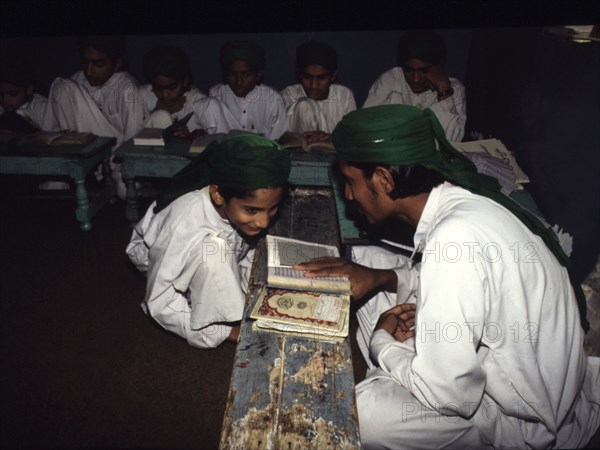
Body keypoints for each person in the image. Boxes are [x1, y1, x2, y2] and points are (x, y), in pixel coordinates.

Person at [293, 105, 600, 448]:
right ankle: (406, 370)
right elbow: (449, 276)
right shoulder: (461, 204)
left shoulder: (451, 240)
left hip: (519, 419)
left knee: (363, 412)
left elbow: (454, 396)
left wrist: (384, 345)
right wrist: (380, 278)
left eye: (351, 182)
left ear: (384, 180)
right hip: (516, 367)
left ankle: (397, 378)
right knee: (369, 258)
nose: (347, 194)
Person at [126, 134, 291, 349]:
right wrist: (222, 331)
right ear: (218, 195)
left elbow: (243, 249)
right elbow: (159, 300)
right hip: (162, 259)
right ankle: (201, 311)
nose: (263, 221)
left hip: (210, 247)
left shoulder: (237, 209)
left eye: (272, 208)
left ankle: (210, 295)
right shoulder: (185, 223)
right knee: (215, 252)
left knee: (239, 255)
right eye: (252, 210)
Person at [44, 36, 144, 197]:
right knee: (62, 87)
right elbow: (54, 126)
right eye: (85, 62)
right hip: (79, 151)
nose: (89, 71)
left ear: (117, 64)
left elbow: (133, 137)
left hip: (113, 159)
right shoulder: (77, 80)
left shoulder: (127, 88)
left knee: (125, 191)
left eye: (99, 64)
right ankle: (64, 168)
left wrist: (123, 169)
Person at [363, 30, 466, 142]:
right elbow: (366, 129)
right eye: (408, 70)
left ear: (439, 65)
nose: (415, 79)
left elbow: (450, 143)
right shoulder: (389, 80)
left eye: (424, 70)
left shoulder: (454, 90)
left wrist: (444, 92)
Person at [139, 45, 230, 137]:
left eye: (172, 88)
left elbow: (213, 137)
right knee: (160, 115)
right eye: (158, 88)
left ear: (185, 82)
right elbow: (131, 137)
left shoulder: (199, 102)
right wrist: (156, 112)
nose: (165, 95)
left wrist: (190, 135)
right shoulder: (143, 94)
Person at [281, 40, 356, 142]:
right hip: (297, 155)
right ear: (299, 75)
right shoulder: (289, 94)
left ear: (333, 76)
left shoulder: (344, 95)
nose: (314, 85)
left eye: (321, 78)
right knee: (304, 106)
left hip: (333, 153)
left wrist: (330, 138)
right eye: (307, 77)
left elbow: (353, 136)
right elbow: (281, 135)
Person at [209, 41, 287, 139]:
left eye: (246, 74)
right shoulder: (216, 95)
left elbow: (277, 141)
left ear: (258, 75)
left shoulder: (274, 100)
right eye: (233, 74)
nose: (238, 82)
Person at [0, 54, 51, 131]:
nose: (5, 100)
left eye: (12, 93)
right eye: (0, 94)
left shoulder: (43, 108)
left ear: (29, 90)